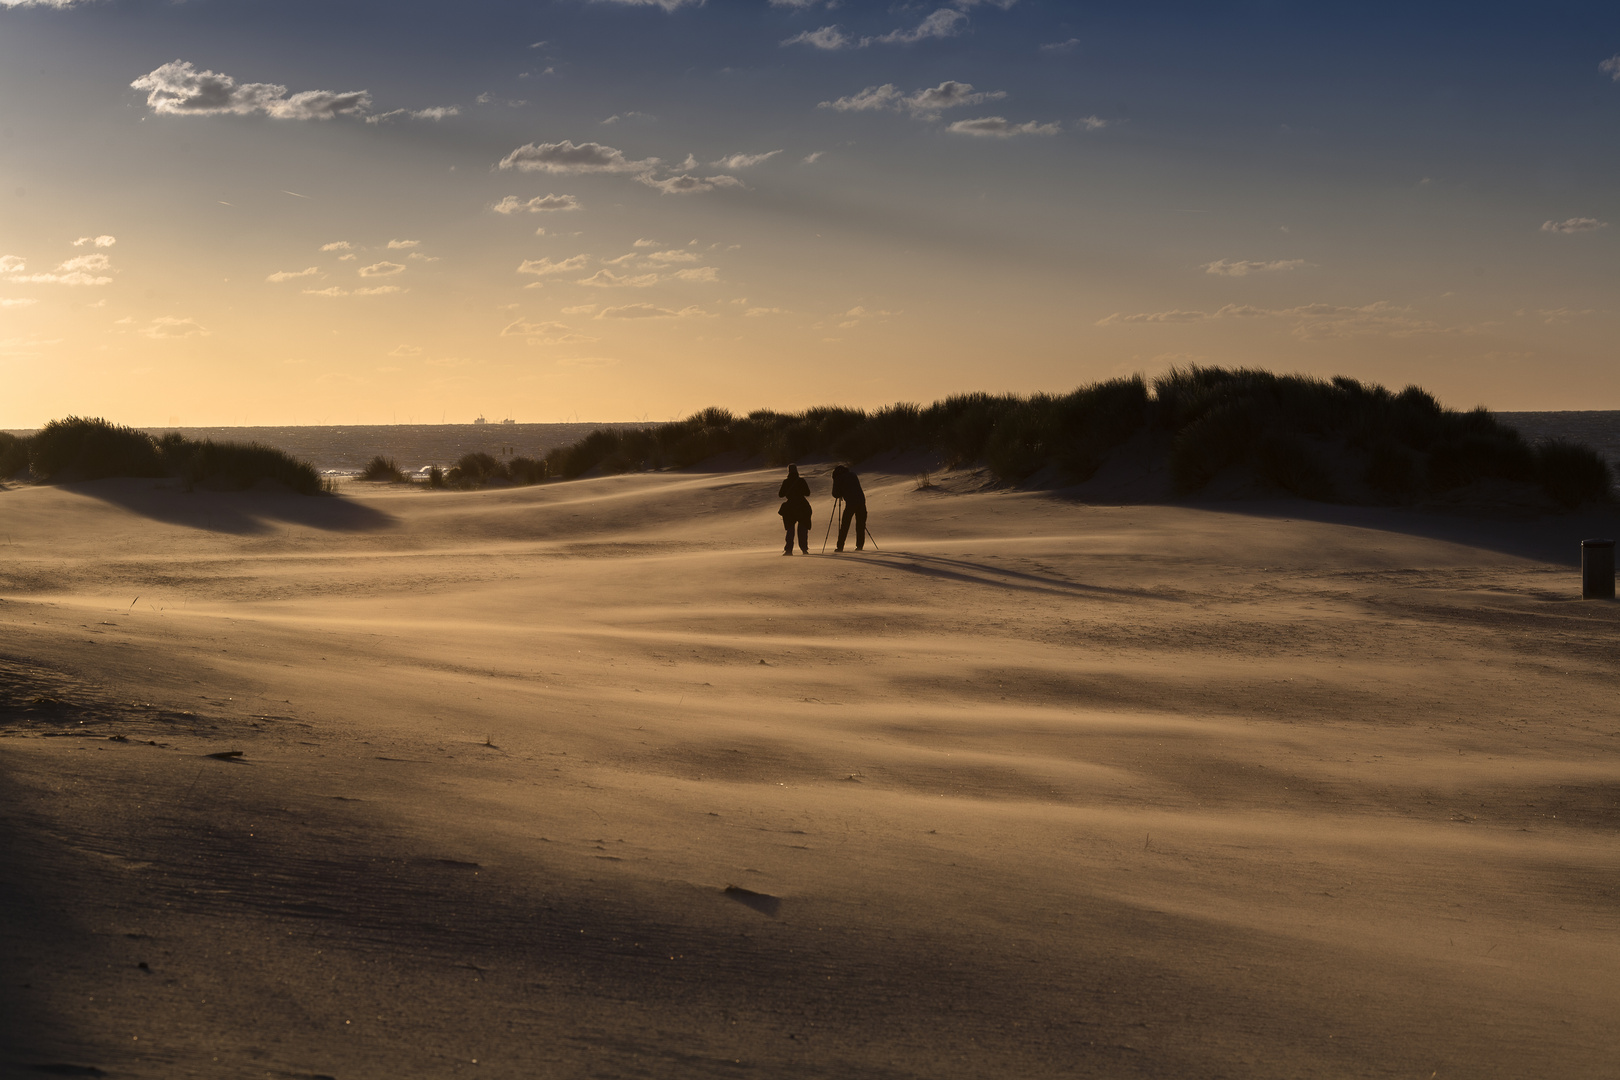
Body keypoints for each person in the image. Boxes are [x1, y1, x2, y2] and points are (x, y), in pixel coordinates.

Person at [777, 464, 812, 555]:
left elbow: (781, 495)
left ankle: (789, 550)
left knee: (790, 529)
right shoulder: (801, 481)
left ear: (789, 471)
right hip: (802, 506)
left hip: (790, 507)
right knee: (803, 528)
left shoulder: (786, 482)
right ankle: (804, 549)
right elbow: (807, 493)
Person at [831, 464, 867, 552]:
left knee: (845, 525)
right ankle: (859, 546)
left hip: (851, 503)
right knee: (860, 525)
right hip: (861, 501)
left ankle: (840, 546)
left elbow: (835, 494)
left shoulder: (838, 478)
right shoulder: (853, 475)